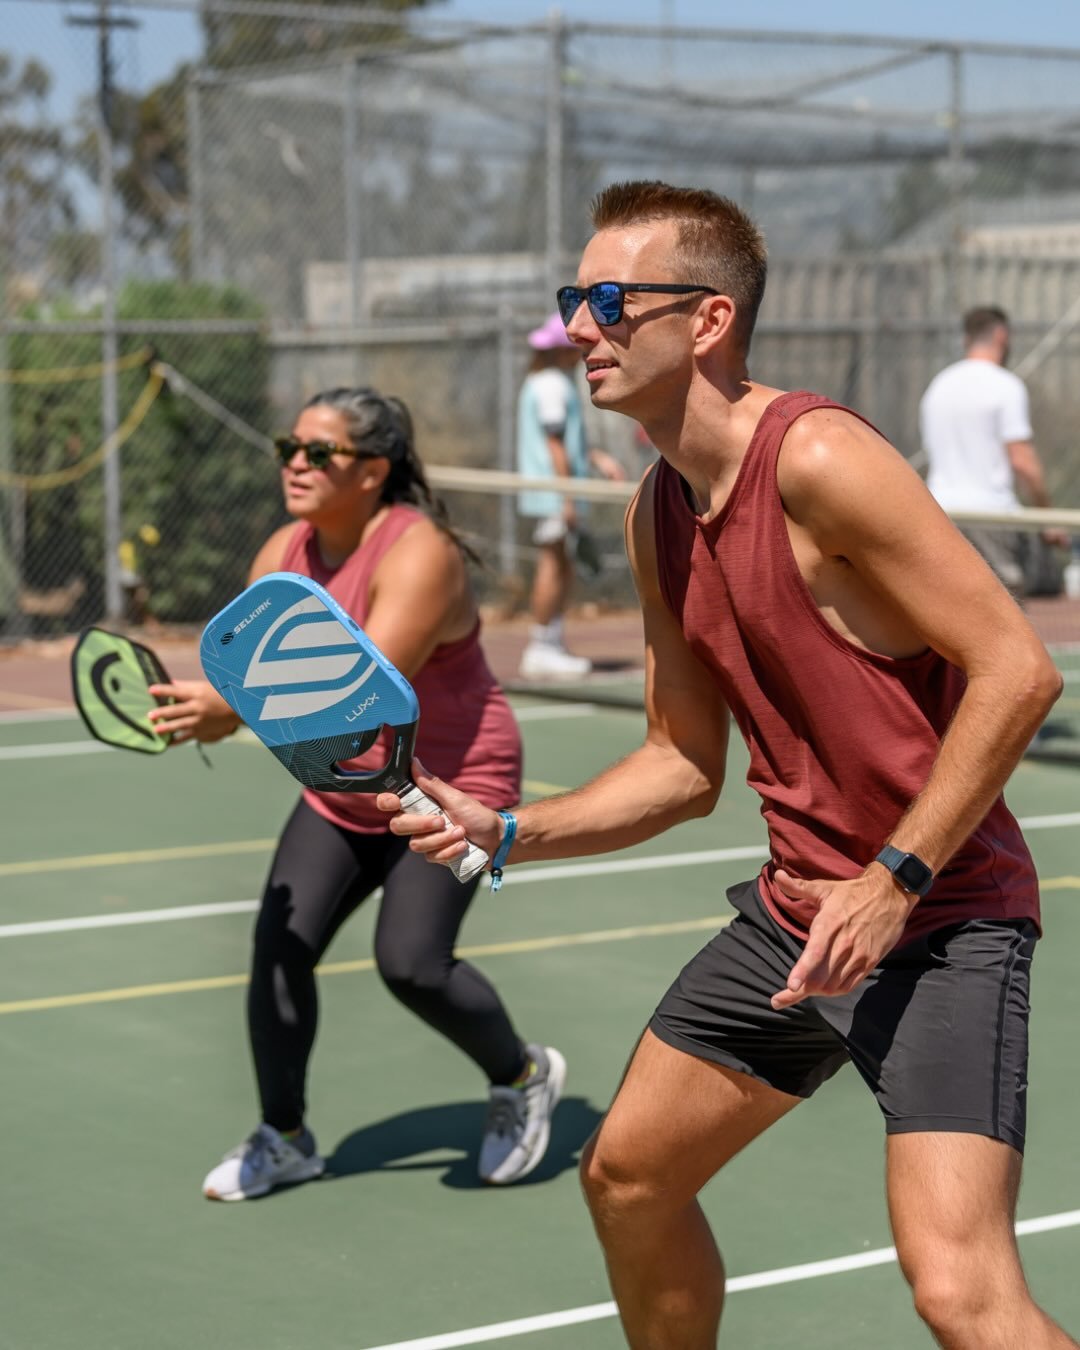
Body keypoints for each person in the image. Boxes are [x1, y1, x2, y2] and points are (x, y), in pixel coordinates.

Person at [381, 182, 1076, 1349]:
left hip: (941, 918)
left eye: (610, 301)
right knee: (628, 1180)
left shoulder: (820, 458)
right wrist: (508, 832)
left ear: (708, 319)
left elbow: (1018, 670)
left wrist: (891, 880)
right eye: (574, 299)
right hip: (795, 920)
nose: (580, 326)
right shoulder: (655, 513)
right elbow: (679, 762)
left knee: (959, 1292)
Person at [146, 386, 565, 1199]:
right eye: (288, 449)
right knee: (279, 950)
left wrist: (226, 709)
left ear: (373, 470)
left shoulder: (421, 553)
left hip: (449, 781)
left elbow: (354, 696)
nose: (295, 465)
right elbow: (257, 683)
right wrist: (211, 713)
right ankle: (285, 1138)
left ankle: (522, 1076)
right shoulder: (282, 555)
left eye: (318, 453)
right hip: (342, 784)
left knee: (412, 965)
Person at [920, 304, 1064, 598]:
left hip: (940, 513)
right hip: (991, 517)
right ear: (1002, 335)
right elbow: (1023, 462)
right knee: (1004, 608)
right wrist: (1046, 518)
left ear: (966, 339)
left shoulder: (938, 386)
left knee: (948, 603)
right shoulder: (1005, 386)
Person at [516, 311, 624, 679]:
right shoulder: (551, 385)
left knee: (561, 564)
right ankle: (541, 647)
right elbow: (554, 445)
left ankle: (552, 642)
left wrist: (597, 459)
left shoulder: (548, 382)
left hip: (556, 493)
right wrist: (566, 498)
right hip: (556, 495)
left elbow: (564, 442)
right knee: (553, 564)